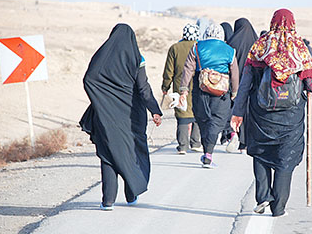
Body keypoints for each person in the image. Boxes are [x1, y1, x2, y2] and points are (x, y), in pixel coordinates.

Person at [231, 9, 312, 217]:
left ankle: (263, 197)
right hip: (290, 117)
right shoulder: (299, 47)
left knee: (261, 152)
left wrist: (237, 112)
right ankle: (278, 207)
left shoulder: (260, 46)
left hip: (261, 114)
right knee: (285, 158)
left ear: (273, 22)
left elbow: (245, 84)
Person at [80, 24, 162, 211]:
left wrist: (101, 100)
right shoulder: (136, 58)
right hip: (132, 116)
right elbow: (143, 88)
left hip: (105, 116)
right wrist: (154, 110)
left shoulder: (102, 57)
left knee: (108, 154)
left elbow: (89, 80)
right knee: (130, 152)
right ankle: (131, 194)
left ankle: (108, 201)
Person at [179, 23, 239, 168]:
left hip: (201, 89)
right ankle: (208, 154)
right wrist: (235, 92)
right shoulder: (230, 51)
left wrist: (184, 89)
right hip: (221, 92)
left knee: (203, 119)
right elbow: (235, 74)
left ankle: (207, 153)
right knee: (217, 120)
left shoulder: (197, 47)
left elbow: (188, 68)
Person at [162, 24, 202, 155]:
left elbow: (169, 71)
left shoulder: (175, 48)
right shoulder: (199, 47)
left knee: (183, 115)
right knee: (197, 112)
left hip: (180, 86)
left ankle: (183, 146)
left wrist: (165, 87)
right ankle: (196, 143)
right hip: (197, 85)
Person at [225, 17, 258, 152]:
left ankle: (236, 136)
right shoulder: (256, 42)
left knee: (236, 110)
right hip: (252, 83)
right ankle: (247, 141)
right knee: (250, 112)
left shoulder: (232, 42)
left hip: (236, 83)